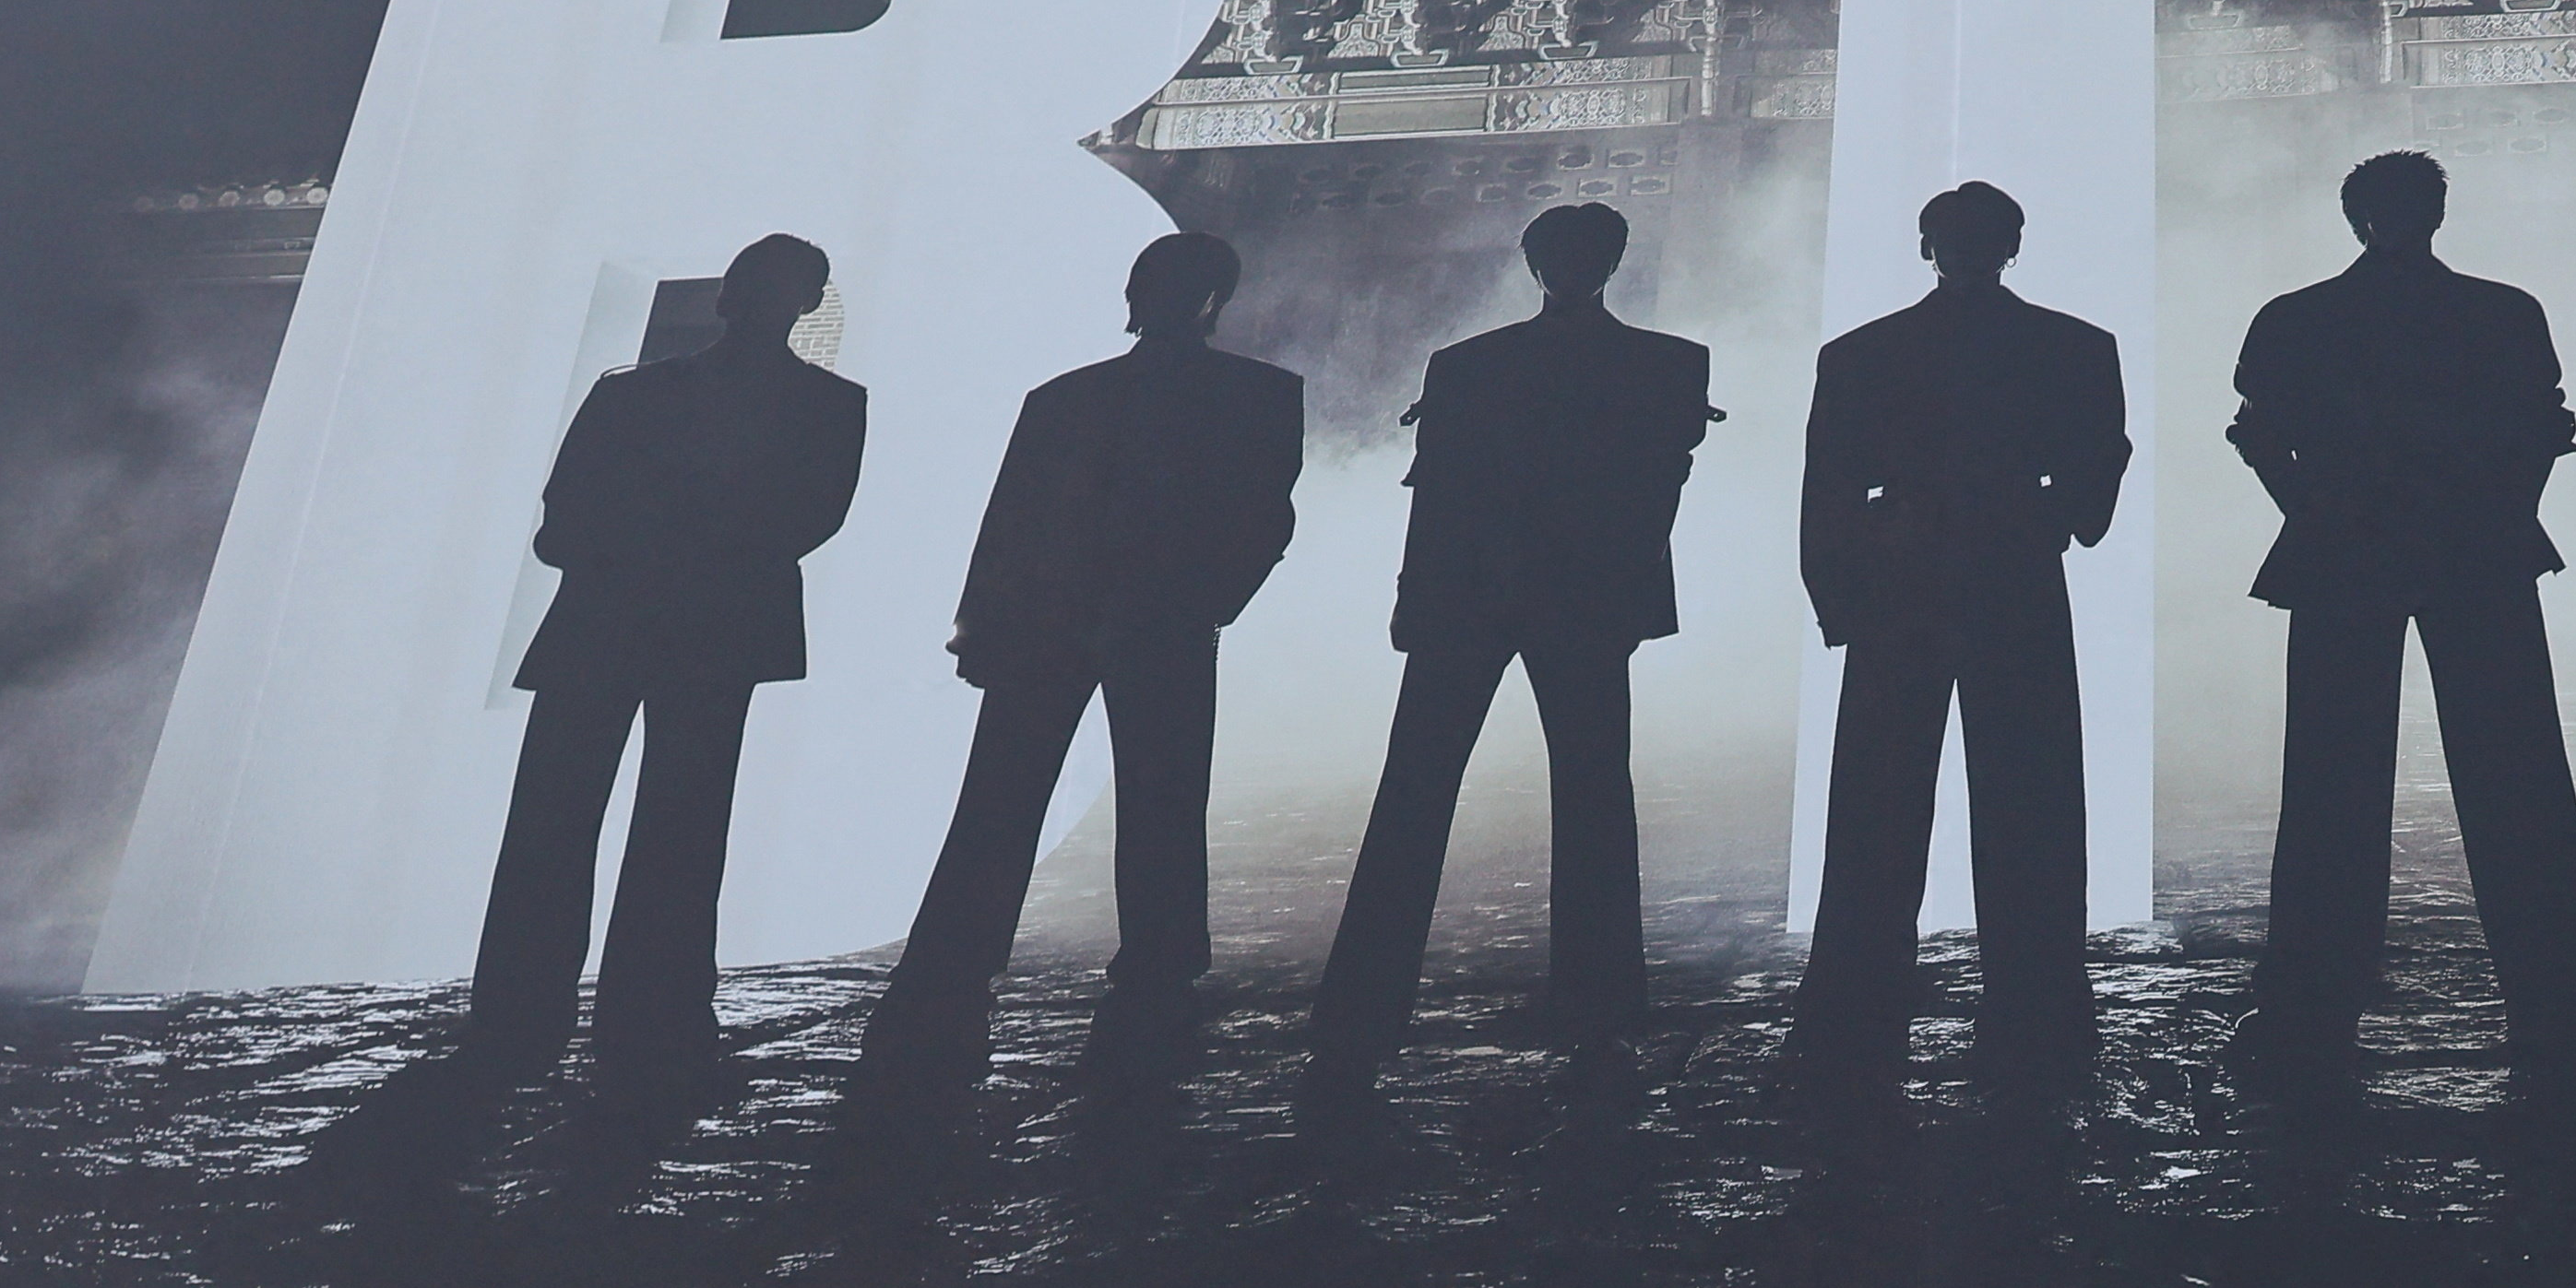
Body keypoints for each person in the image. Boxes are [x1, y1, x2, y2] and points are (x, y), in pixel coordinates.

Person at [844, 226, 1300, 1127]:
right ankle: (1159, 971)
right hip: (1163, 622)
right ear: (1216, 302)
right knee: (1164, 800)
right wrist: (1207, 601)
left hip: (1045, 626)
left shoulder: (1064, 398)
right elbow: (1263, 517)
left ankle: (953, 970)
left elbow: (1008, 522)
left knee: (998, 804)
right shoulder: (1258, 394)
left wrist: (979, 622)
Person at [2231, 148, 2576, 1076]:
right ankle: (2557, 995)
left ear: (2354, 218)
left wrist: (2311, 512)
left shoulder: (2295, 320)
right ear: (2436, 213)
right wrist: (2502, 514)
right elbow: (2543, 430)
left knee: (2329, 783)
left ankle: (2307, 1003)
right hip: (2477, 552)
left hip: (2338, 556)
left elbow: (2256, 436)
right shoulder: (2500, 313)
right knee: (2517, 775)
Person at [460, 230, 869, 1092]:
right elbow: (806, 519)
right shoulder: (830, 406)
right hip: (715, 624)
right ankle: (654, 1006)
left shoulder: (633, 395)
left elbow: (564, 517)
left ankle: (521, 1007)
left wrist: (639, 547)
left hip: (610, 615)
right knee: (676, 827)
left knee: (562, 822)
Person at [1312, 204, 1714, 1077]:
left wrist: (1415, 602)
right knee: (1594, 791)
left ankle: (1365, 994)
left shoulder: (1468, 366)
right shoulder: (1669, 365)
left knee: (1419, 790)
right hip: (1581, 602)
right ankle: (1599, 994)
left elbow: (1440, 499)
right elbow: (1653, 495)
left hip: (1471, 599)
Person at [1787, 179, 2126, 1092]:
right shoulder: (2074, 347)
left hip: (1901, 579)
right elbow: (2096, 481)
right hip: (2015, 571)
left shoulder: (1862, 354)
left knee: (1874, 804)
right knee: (2034, 797)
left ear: (1923, 245)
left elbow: (1825, 490)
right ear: (2012, 245)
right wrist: (2055, 510)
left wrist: (1836, 597)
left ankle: (1851, 1005)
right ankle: (2039, 1001)